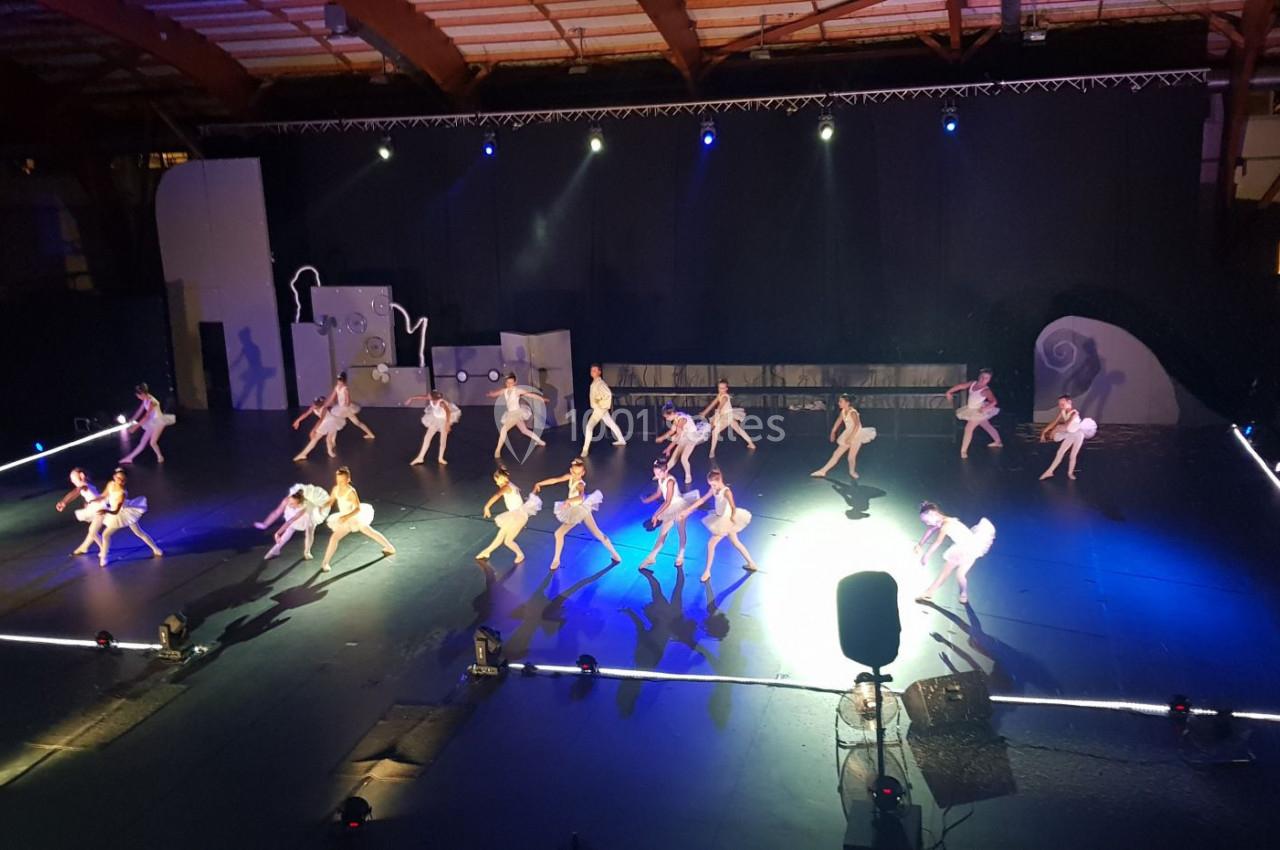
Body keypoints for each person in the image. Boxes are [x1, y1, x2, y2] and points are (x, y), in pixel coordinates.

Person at [533, 457, 621, 570]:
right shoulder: (570, 477)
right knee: (597, 533)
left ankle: (556, 560)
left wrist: (568, 501)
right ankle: (616, 555)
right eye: (574, 473)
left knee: (559, 533)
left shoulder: (580, 484)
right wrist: (539, 483)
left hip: (579, 510)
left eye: (579, 473)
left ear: (583, 473)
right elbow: (555, 480)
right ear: (571, 471)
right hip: (581, 509)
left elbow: (581, 497)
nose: (576, 475)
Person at [679, 468, 759, 583]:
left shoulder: (726, 491)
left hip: (726, 520)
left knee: (711, 544)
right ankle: (751, 563)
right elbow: (702, 500)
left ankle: (707, 571)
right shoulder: (713, 489)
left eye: (714, 484)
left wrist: (732, 518)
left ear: (720, 480)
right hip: (720, 517)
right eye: (711, 485)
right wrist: (688, 510)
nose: (713, 487)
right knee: (736, 542)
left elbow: (733, 506)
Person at [913, 501, 995, 605]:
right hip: (972, 548)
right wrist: (920, 544)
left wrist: (926, 555)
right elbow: (930, 530)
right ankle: (963, 595)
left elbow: (937, 542)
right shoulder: (945, 520)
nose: (927, 523)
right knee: (960, 574)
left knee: (946, 573)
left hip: (965, 549)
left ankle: (929, 592)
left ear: (933, 514)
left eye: (927, 520)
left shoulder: (946, 525)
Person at [320, 467, 396, 572]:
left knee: (370, 532)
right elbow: (331, 501)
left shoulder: (351, 491)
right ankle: (325, 562)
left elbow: (358, 509)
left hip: (354, 517)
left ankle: (389, 547)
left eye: (342, 480)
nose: (340, 482)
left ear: (348, 479)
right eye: (338, 480)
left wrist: (346, 517)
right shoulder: (336, 489)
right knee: (334, 538)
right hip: (344, 518)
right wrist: (321, 506)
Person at [637, 459, 700, 570]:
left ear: (665, 471)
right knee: (662, 533)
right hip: (669, 508)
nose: (656, 475)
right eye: (655, 473)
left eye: (658, 473)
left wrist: (656, 514)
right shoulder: (661, 480)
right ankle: (652, 556)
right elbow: (658, 494)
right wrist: (647, 500)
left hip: (679, 506)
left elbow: (668, 501)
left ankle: (681, 554)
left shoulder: (670, 481)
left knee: (681, 531)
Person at [98, 467, 164, 568]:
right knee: (107, 535)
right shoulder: (110, 484)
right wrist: (93, 501)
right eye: (119, 478)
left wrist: (106, 511)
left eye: (123, 480)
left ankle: (103, 557)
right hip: (117, 512)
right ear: (114, 477)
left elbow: (115, 511)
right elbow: (103, 495)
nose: (121, 481)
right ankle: (104, 556)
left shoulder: (122, 493)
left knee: (108, 534)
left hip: (122, 514)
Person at [477, 466, 543, 563]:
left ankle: (520, 554)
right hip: (516, 515)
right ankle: (487, 552)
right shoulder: (511, 484)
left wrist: (487, 506)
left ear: (502, 479)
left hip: (518, 516)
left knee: (507, 540)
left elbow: (497, 495)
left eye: (497, 480)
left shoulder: (506, 487)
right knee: (502, 535)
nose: (496, 483)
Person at [254, 483, 331, 560]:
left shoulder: (304, 508)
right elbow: (277, 512)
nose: (289, 505)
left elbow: (290, 521)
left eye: (292, 504)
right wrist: (266, 524)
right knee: (289, 529)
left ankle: (307, 551)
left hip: (309, 513)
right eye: (289, 502)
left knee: (309, 530)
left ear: (299, 504)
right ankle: (275, 549)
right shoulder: (287, 500)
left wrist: (278, 532)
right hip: (295, 513)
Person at [810, 393, 877, 479]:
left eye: (841, 401)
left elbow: (856, 426)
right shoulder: (843, 412)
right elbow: (838, 421)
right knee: (836, 454)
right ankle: (823, 471)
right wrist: (833, 432)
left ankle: (852, 472)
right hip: (848, 434)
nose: (839, 403)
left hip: (856, 435)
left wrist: (851, 437)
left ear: (847, 403)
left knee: (851, 457)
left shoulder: (853, 412)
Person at [945, 369, 1003, 459]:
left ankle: (963, 451)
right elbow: (961, 386)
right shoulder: (973, 383)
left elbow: (994, 401)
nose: (983, 379)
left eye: (986, 378)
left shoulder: (986, 390)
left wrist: (986, 408)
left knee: (968, 428)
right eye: (982, 377)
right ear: (979, 376)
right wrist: (949, 392)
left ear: (989, 380)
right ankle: (998, 441)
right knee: (986, 425)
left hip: (978, 411)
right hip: (971, 409)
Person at [1039, 394, 1098, 480]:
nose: (1060, 406)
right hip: (1070, 433)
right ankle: (1049, 471)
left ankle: (1070, 473)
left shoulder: (1074, 413)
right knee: (1060, 452)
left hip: (1078, 434)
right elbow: (1054, 422)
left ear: (1069, 402)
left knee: (1073, 455)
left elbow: (1066, 426)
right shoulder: (1062, 412)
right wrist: (1044, 432)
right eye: (1059, 405)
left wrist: (1056, 430)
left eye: (1062, 404)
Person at [489, 374, 548, 459]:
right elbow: (496, 394)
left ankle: (497, 451)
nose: (509, 384)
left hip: (517, 413)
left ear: (515, 382)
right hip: (511, 414)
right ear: (505, 382)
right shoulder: (504, 391)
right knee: (524, 430)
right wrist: (491, 394)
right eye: (508, 383)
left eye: (511, 383)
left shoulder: (517, 391)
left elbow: (530, 395)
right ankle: (540, 441)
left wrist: (542, 399)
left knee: (503, 429)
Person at [655, 402, 711, 485]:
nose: (666, 419)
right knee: (674, 458)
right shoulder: (677, 417)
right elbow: (672, 431)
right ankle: (661, 474)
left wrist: (669, 448)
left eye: (667, 417)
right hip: (684, 437)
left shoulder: (682, 420)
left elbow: (677, 436)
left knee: (684, 458)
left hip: (692, 438)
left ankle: (688, 476)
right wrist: (662, 438)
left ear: (672, 413)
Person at [119, 382, 175, 464]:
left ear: (142, 394)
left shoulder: (152, 401)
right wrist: (132, 420)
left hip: (159, 421)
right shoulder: (145, 399)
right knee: (143, 441)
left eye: (138, 396)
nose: (138, 397)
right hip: (152, 422)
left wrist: (136, 427)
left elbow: (147, 416)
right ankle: (129, 458)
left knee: (152, 442)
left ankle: (160, 456)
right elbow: (139, 411)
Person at [699, 379, 757, 458]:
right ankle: (751, 444)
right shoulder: (720, 395)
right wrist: (704, 412)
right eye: (720, 388)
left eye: (723, 388)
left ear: (726, 389)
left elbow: (719, 408)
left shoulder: (725, 397)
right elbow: (713, 404)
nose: (721, 390)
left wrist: (715, 420)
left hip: (727, 416)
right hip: (726, 415)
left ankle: (712, 451)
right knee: (738, 430)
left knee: (715, 432)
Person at [55, 467, 104, 555]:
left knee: (92, 531)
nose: (72, 480)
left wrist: (64, 502)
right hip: (95, 508)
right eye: (71, 478)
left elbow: (75, 492)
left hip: (100, 509)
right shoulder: (85, 485)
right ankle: (85, 547)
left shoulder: (83, 485)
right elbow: (87, 495)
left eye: (73, 478)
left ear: (81, 475)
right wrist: (87, 503)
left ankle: (104, 549)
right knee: (93, 531)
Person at [581, 363, 627, 456]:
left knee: (589, 427)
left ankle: (585, 449)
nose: (592, 372)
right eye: (591, 370)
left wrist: (601, 405)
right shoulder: (595, 382)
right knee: (611, 423)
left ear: (599, 372)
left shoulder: (600, 383)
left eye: (595, 370)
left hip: (599, 409)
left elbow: (608, 394)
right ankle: (621, 440)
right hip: (600, 408)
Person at [404, 390, 460, 465]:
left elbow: (448, 412)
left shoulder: (441, 403)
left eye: (429, 395)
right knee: (427, 437)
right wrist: (411, 398)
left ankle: (440, 458)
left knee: (442, 440)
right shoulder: (431, 398)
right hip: (435, 419)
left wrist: (447, 424)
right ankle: (420, 457)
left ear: (433, 398)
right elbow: (420, 397)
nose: (427, 396)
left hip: (443, 420)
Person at [292, 396, 344, 461]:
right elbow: (306, 414)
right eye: (315, 403)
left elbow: (321, 420)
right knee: (315, 438)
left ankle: (330, 451)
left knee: (328, 438)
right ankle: (303, 454)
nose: (315, 405)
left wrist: (313, 430)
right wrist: (298, 420)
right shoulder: (313, 406)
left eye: (317, 404)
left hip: (331, 421)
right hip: (325, 422)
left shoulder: (324, 408)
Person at [326, 372, 376, 440]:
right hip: (340, 408)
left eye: (341, 381)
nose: (339, 382)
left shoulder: (345, 389)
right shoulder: (336, 387)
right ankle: (333, 441)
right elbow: (331, 398)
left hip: (347, 408)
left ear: (344, 381)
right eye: (338, 381)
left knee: (357, 423)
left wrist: (345, 406)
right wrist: (326, 405)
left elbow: (348, 401)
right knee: (336, 422)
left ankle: (370, 434)